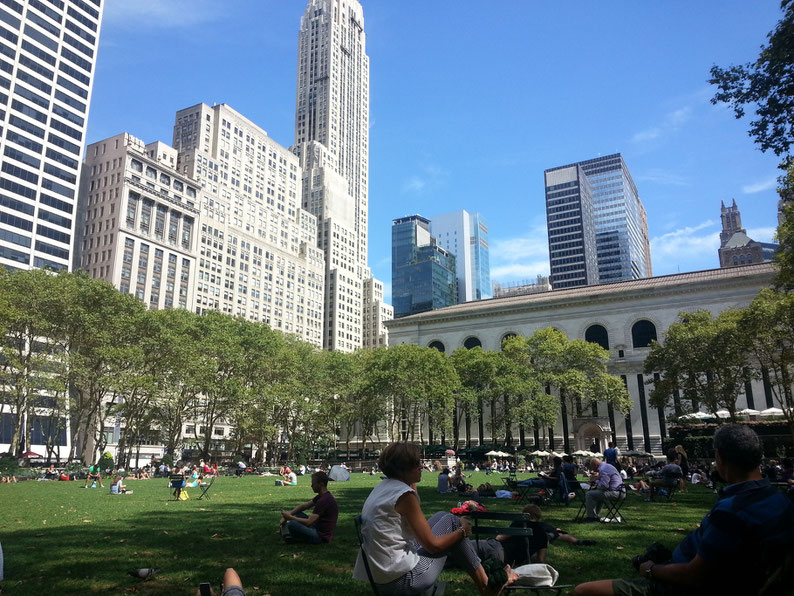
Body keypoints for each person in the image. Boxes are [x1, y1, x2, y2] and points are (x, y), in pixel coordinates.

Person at [573, 424, 794, 596]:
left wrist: (651, 569)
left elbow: (695, 575)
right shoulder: (780, 501)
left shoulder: (733, 511)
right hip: (733, 578)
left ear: (720, 458)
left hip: (686, 587)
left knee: (584, 591)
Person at [353, 441, 518, 595]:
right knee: (453, 521)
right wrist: (462, 531)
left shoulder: (384, 488)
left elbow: (415, 509)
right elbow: (433, 546)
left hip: (381, 578)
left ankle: (484, 581)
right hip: (402, 580)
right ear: (404, 468)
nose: (421, 467)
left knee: (441, 515)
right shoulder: (404, 496)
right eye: (417, 463)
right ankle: (486, 586)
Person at [279, 471, 338, 544]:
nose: (311, 486)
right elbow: (305, 506)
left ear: (321, 484)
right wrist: (289, 514)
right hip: (317, 527)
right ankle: (288, 533)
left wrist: (289, 517)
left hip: (321, 536)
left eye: (313, 484)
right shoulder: (322, 496)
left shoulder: (324, 500)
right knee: (299, 514)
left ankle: (290, 535)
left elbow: (308, 522)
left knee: (292, 524)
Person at [580, 457, 623, 522]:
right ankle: (595, 515)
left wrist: (595, 482)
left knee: (589, 494)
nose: (593, 469)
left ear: (595, 465)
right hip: (619, 491)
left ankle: (591, 517)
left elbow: (604, 485)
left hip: (616, 492)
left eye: (592, 467)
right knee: (598, 494)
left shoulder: (603, 469)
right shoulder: (607, 466)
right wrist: (596, 479)